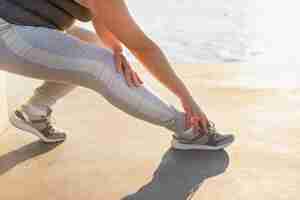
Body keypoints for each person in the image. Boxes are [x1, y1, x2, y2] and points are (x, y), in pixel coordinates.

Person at [0, 0, 234, 150]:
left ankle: (33, 112)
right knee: (99, 65)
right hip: (7, 31)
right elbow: (143, 47)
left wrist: (116, 49)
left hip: (18, 26)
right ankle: (190, 130)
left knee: (101, 51)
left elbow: (99, 14)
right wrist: (187, 99)